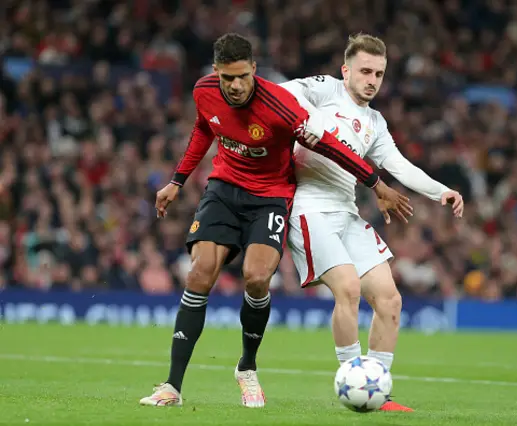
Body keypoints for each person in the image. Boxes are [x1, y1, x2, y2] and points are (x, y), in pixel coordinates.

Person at [139, 33, 411, 408]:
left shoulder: (281, 106)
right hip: (223, 189)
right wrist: (177, 180)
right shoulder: (204, 90)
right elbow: (205, 127)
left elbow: (329, 145)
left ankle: (246, 367)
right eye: (226, 78)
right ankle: (172, 386)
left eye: (241, 77)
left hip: (270, 197)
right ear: (216, 72)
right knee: (200, 272)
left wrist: (375, 183)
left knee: (256, 277)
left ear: (254, 69)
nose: (234, 86)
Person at [281, 33, 464, 412]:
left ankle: (377, 392)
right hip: (309, 209)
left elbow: (397, 166)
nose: (372, 80)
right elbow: (279, 92)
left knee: (390, 300)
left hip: (346, 213)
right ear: (345, 70)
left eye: (379, 74)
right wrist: (311, 121)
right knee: (347, 289)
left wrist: (440, 190)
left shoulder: (375, 122)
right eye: (365, 71)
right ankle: (353, 377)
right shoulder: (324, 89)